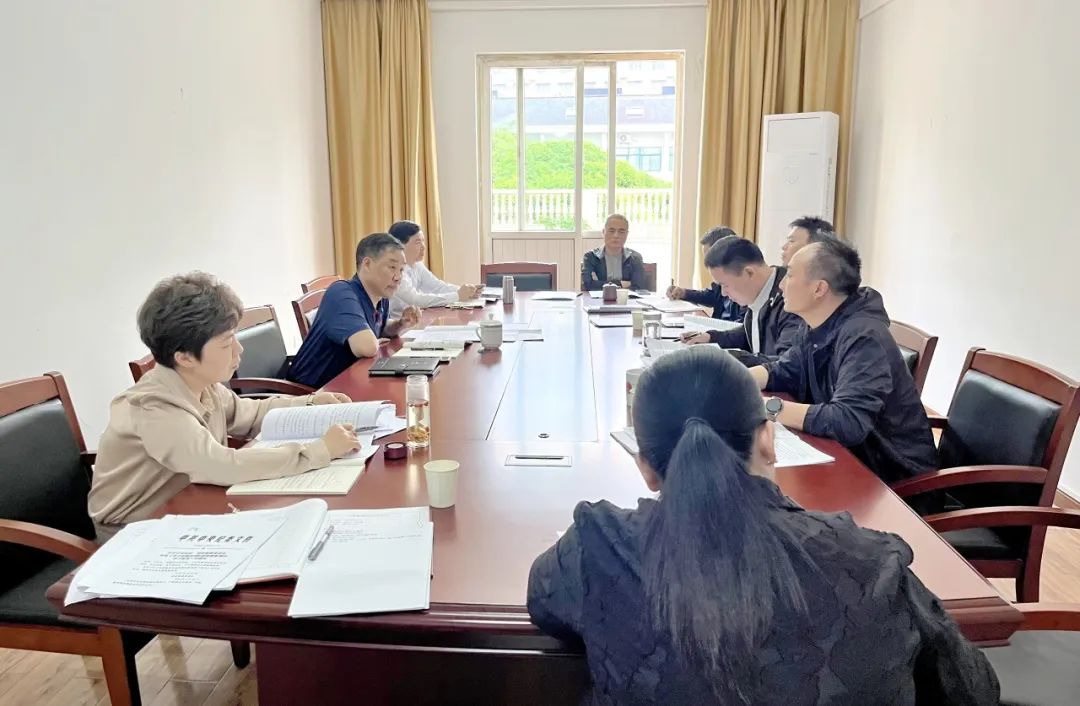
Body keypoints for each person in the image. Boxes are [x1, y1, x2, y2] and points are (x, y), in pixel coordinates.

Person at [527, 346, 999, 705]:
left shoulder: (598, 546)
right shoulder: (870, 562)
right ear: (768, 440)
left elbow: (544, 604)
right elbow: (973, 688)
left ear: (646, 467)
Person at [88, 273, 360, 539]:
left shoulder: (201, 383)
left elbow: (250, 414)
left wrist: (310, 403)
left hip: (188, 505)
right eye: (227, 342)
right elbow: (220, 465)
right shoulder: (154, 408)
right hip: (133, 532)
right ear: (185, 358)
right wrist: (319, 450)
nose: (239, 350)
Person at [748, 238, 937, 484]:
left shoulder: (863, 337)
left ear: (819, 289)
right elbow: (785, 370)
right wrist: (735, 381)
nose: (781, 285)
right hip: (848, 459)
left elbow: (847, 421)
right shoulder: (817, 324)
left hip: (892, 479)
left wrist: (764, 407)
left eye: (790, 275)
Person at [288, 233, 421, 388]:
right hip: (310, 392)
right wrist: (373, 341)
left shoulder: (380, 296)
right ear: (367, 264)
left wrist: (401, 323)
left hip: (346, 384)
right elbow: (366, 347)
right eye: (392, 267)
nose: (398, 277)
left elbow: (381, 327)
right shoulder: (342, 293)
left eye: (402, 269)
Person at [680, 235, 803, 366]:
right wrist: (711, 337)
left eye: (725, 285)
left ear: (749, 273)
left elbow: (787, 364)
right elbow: (751, 333)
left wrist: (725, 357)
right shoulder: (758, 292)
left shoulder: (791, 299)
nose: (723, 293)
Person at [387, 220, 483, 318]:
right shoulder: (395, 272)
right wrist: (457, 295)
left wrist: (467, 291)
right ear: (400, 245)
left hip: (417, 320)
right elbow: (416, 300)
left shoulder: (417, 265)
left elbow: (436, 286)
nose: (423, 247)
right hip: (399, 323)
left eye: (423, 241)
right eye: (418, 242)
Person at [665, 225, 745, 322]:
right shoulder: (722, 279)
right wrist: (683, 293)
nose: (707, 263)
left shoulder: (744, 284)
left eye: (710, 258)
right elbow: (712, 296)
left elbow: (742, 327)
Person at [580, 214, 647, 291]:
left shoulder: (635, 258)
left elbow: (638, 287)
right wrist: (621, 284)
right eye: (611, 231)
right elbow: (588, 285)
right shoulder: (590, 257)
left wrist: (600, 284)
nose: (616, 235)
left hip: (627, 298)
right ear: (603, 232)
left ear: (627, 234)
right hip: (598, 298)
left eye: (621, 232)